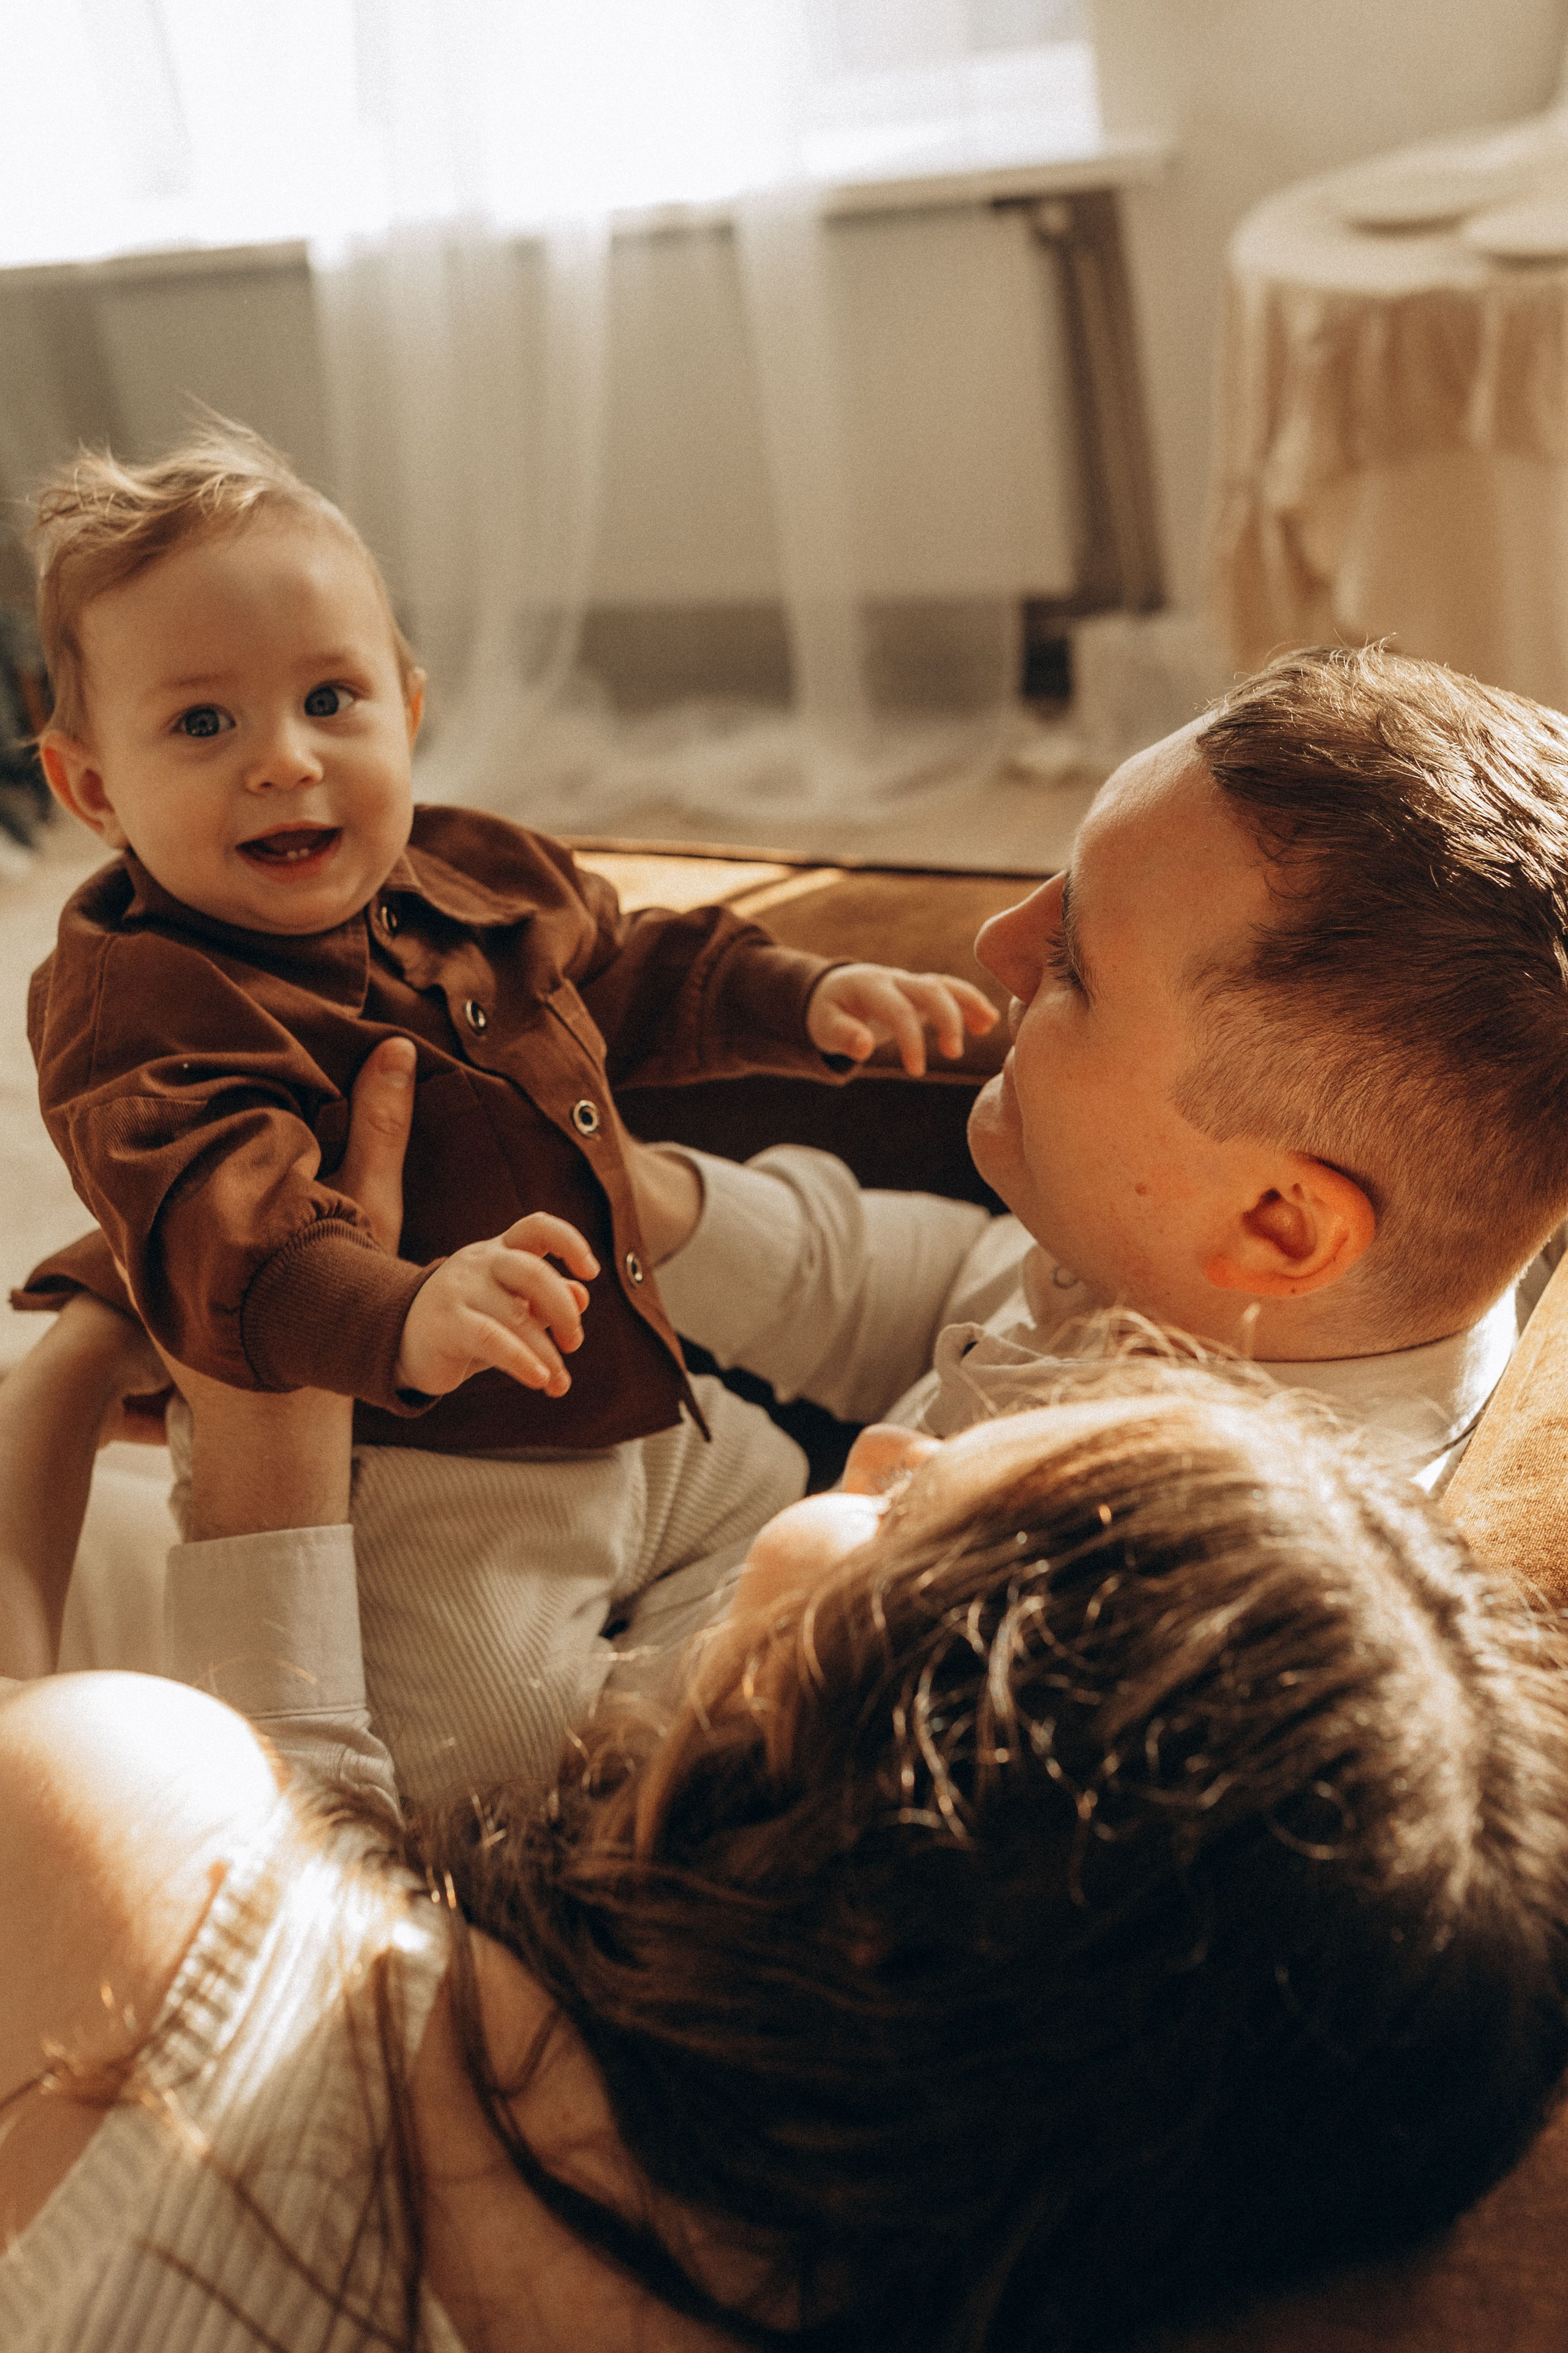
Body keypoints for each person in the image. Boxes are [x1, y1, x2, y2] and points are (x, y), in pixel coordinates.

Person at [5, 1265, 1568, 2353]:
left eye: (914, 1509)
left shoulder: (140, 1818)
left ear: (908, 1823)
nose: (882, 1446)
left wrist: (60, 1375)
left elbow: (285, 1983)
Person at [19, 420, 996, 1800]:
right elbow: (219, 1215)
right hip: (420, 1487)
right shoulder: (140, 1000)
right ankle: (609, 1769)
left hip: (645, 1406)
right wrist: (404, 1312)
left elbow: (633, 963)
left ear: (407, 706)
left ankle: (668, 1727)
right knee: (478, 1760)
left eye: (330, 699)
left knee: (786, 1545)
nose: (285, 760)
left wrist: (799, 996)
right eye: (202, 723)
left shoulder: (476, 868)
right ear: (91, 787)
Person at [637, 642, 1568, 1500]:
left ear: (1277, 1226)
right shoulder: (1161, 1248)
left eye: (1076, 965)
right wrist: (652, 1207)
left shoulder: (1144, 1586)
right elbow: (951, 1281)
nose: (998, 943)